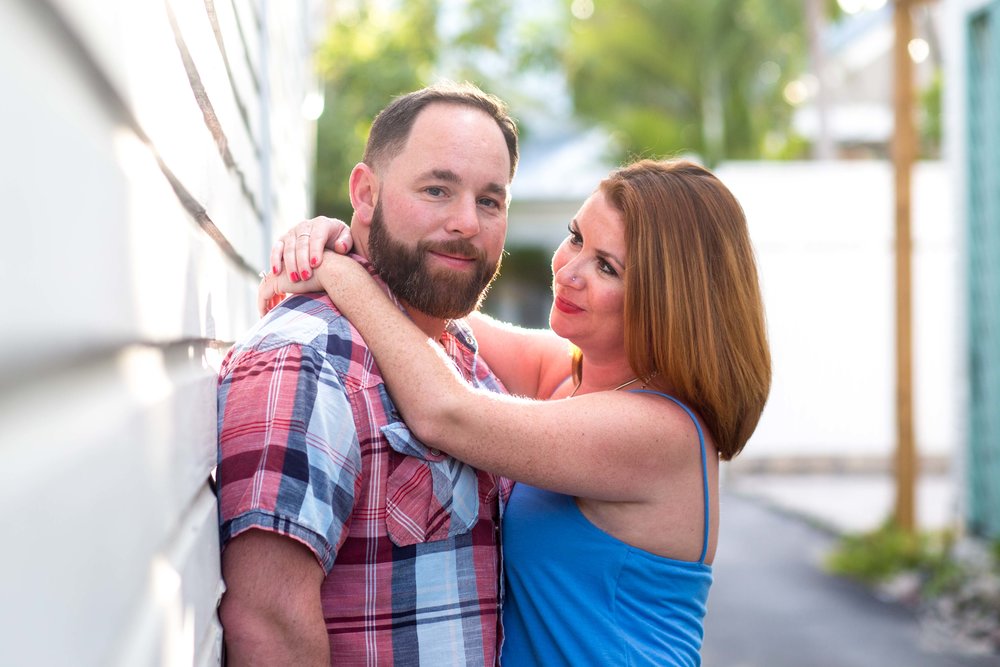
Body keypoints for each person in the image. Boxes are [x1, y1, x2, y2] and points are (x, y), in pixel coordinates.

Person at [262, 158, 772, 666]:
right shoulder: (572, 374)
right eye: (575, 238)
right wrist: (343, 241)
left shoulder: (659, 433)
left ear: (668, 301)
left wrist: (338, 275)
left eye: (606, 266)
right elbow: (427, 315)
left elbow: (445, 411)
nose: (568, 272)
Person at [216, 82, 520, 665]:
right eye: (437, 189)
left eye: (490, 200)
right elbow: (268, 625)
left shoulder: (463, 356)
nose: (467, 223)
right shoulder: (308, 360)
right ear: (365, 193)